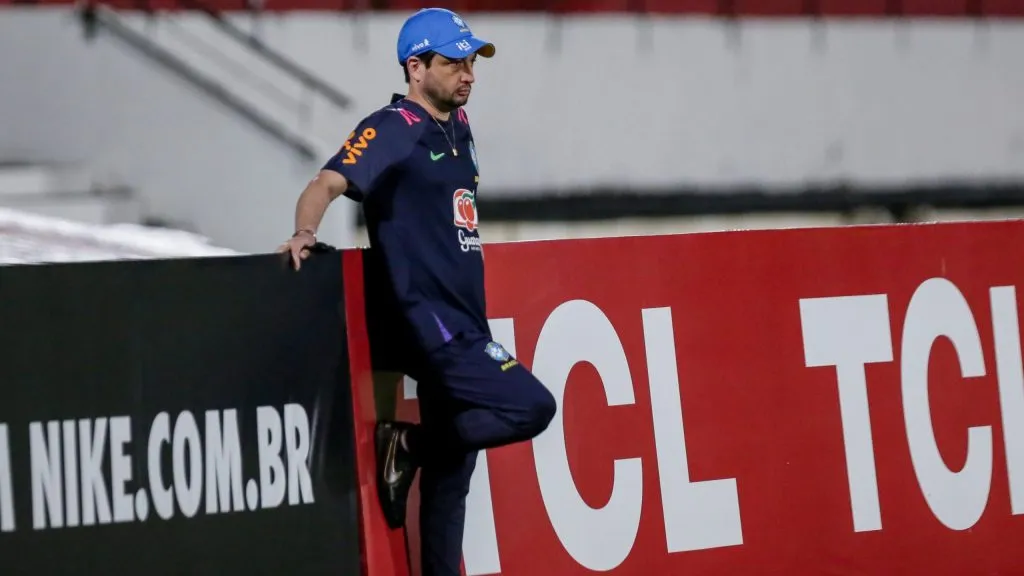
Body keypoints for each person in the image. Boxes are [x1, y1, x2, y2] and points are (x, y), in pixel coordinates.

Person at [277, 7, 557, 576]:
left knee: (449, 495)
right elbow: (326, 182)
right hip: (433, 327)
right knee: (533, 407)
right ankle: (407, 446)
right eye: (455, 63)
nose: (469, 74)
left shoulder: (459, 127)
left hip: (466, 319)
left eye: (472, 61)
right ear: (415, 66)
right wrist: (306, 230)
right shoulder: (392, 128)